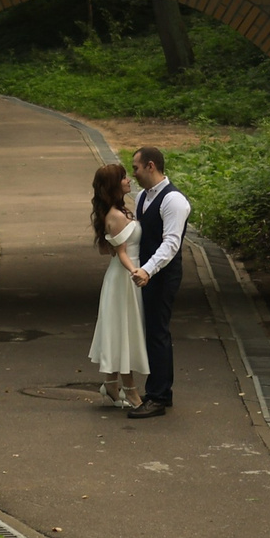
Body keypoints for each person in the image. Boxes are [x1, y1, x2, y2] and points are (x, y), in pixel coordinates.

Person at [123, 145, 188, 419]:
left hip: (163, 275)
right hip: (146, 275)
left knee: (158, 331)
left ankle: (159, 397)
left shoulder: (174, 201)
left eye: (136, 167)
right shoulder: (141, 197)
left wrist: (148, 270)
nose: (133, 173)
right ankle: (160, 391)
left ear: (151, 166)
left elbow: (171, 243)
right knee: (151, 331)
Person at [85, 162, 147, 407]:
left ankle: (111, 385)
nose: (128, 180)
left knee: (122, 330)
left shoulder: (119, 211)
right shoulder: (116, 216)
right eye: (123, 177)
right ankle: (130, 391)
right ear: (114, 184)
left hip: (124, 277)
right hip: (123, 279)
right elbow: (120, 252)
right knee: (124, 332)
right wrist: (135, 271)